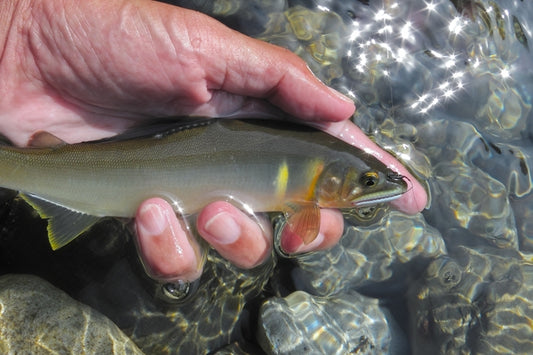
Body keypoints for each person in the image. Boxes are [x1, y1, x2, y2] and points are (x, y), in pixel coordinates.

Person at [0, 0, 427, 283]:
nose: (374, 188)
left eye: (369, 182)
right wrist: (21, 23)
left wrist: (21, 22)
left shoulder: (311, 172)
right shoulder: (308, 204)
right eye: (368, 181)